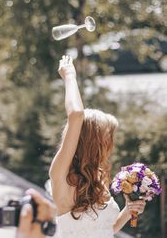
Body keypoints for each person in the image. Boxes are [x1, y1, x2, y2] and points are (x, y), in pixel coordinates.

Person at [49, 55, 146, 238]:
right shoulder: (61, 174)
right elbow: (77, 115)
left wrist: (127, 211)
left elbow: (104, 230)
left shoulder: (97, 176)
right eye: (108, 136)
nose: (112, 143)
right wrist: (69, 75)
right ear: (94, 142)